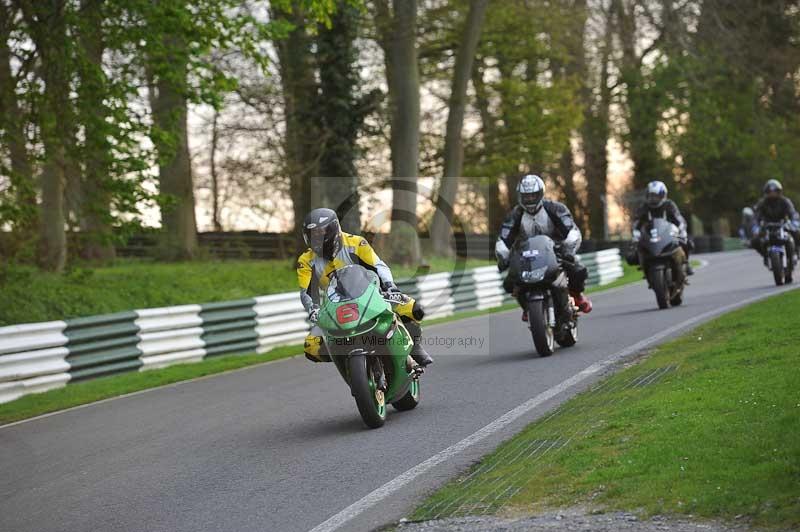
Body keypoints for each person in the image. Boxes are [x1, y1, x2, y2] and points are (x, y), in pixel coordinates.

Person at [297, 208, 433, 367]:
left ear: (333, 229)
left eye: (320, 233)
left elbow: (378, 266)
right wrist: (313, 309)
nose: (316, 238)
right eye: (312, 234)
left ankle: (414, 348)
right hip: (335, 307)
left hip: (370, 296)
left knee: (415, 309)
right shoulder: (306, 261)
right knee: (311, 347)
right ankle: (347, 364)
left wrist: (390, 288)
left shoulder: (356, 243)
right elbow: (307, 291)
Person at [494, 174, 593, 322]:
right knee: (509, 283)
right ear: (520, 196)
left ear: (541, 193)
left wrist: (568, 249)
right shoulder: (515, 215)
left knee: (578, 270)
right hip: (526, 255)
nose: (530, 200)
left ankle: (577, 296)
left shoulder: (555, 208)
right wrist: (503, 256)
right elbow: (503, 238)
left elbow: (571, 230)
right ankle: (527, 307)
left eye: (533, 195)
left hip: (556, 251)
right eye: (526, 196)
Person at [630, 180, 694, 275]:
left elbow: (678, 218)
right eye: (651, 196)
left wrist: (682, 229)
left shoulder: (669, 205)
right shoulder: (644, 207)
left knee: (687, 242)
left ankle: (686, 263)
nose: (653, 199)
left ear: (663, 195)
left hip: (670, 233)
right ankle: (645, 267)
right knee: (633, 252)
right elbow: (636, 222)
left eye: (655, 196)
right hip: (650, 236)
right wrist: (635, 234)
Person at [753, 179, 799, 263]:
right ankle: (766, 255)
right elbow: (756, 216)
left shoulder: (785, 201)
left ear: (779, 191)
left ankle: (795, 253)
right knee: (755, 241)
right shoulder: (762, 203)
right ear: (766, 192)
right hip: (767, 226)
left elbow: (792, 212)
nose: (772, 193)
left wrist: (794, 221)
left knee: (796, 233)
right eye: (770, 191)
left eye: (775, 191)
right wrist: (756, 226)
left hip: (783, 224)